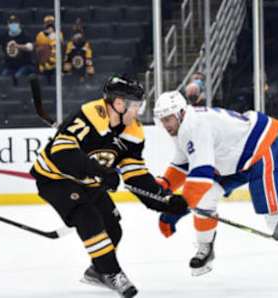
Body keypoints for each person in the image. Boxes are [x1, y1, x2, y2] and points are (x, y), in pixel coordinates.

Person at [153, 90, 278, 280]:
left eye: (168, 119)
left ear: (180, 113)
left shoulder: (195, 126)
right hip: (237, 158)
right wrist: (163, 185)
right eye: (162, 120)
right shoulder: (183, 127)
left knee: (277, 220)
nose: (165, 124)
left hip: (262, 152)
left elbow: (201, 174)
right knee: (206, 196)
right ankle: (206, 249)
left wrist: (175, 211)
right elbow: (182, 164)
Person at [30, 75, 187, 298]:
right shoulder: (91, 114)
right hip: (55, 179)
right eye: (136, 105)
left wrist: (165, 200)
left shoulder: (133, 132)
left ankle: (98, 270)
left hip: (89, 182)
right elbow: (61, 154)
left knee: (113, 228)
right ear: (119, 104)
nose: (138, 111)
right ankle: (112, 272)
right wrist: (101, 172)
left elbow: (136, 176)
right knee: (89, 218)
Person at [0, 14, 35, 79]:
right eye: (11, 23)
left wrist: (18, 46)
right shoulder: (4, 35)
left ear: (19, 24)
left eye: (15, 23)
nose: (13, 25)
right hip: (10, 67)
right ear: (8, 25)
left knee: (18, 77)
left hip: (24, 65)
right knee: (3, 79)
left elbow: (30, 47)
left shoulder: (25, 35)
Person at [34, 15, 63, 83]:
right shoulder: (40, 35)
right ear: (44, 24)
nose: (50, 24)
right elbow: (38, 49)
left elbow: (60, 47)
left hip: (56, 62)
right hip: (44, 62)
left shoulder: (59, 34)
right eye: (48, 22)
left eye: (51, 22)